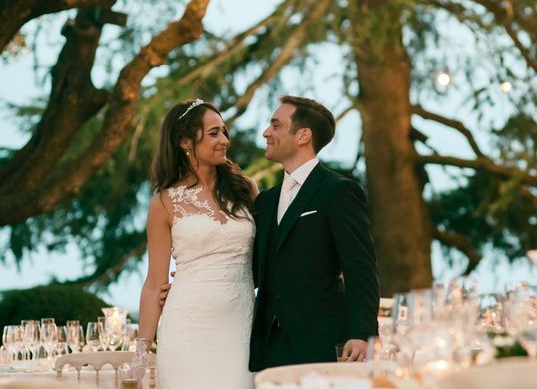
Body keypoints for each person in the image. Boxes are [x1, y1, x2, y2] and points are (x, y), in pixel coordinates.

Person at [249, 96, 380, 371]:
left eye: (275, 125)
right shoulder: (265, 201)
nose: (266, 132)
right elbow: (255, 270)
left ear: (303, 136)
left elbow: (360, 268)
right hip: (270, 346)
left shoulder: (339, 192)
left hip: (321, 342)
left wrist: (362, 332)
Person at [136, 99, 258, 389]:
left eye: (225, 132)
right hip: (187, 328)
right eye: (214, 133)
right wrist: (141, 354)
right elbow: (154, 284)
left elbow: (271, 253)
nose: (225, 140)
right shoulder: (164, 202)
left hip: (241, 327)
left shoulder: (246, 189)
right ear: (184, 141)